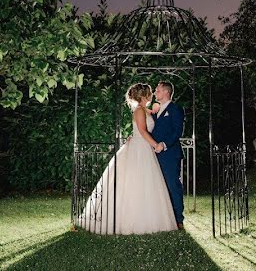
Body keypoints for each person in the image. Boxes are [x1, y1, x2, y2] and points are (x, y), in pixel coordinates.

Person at [76, 83, 178, 234]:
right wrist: (156, 145)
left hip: (144, 148)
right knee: (135, 183)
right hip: (140, 148)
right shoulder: (138, 110)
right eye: (150, 92)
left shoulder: (145, 110)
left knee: (146, 183)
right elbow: (143, 132)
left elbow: (148, 125)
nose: (152, 94)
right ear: (144, 96)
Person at [150, 80, 185, 230]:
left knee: (172, 186)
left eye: (157, 90)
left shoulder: (175, 109)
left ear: (166, 92)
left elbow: (177, 131)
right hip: (152, 155)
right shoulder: (155, 110)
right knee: (157, 187)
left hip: (169, 154)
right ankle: (162, 218)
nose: (154, 93)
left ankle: (178, 220)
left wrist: (163, 145)